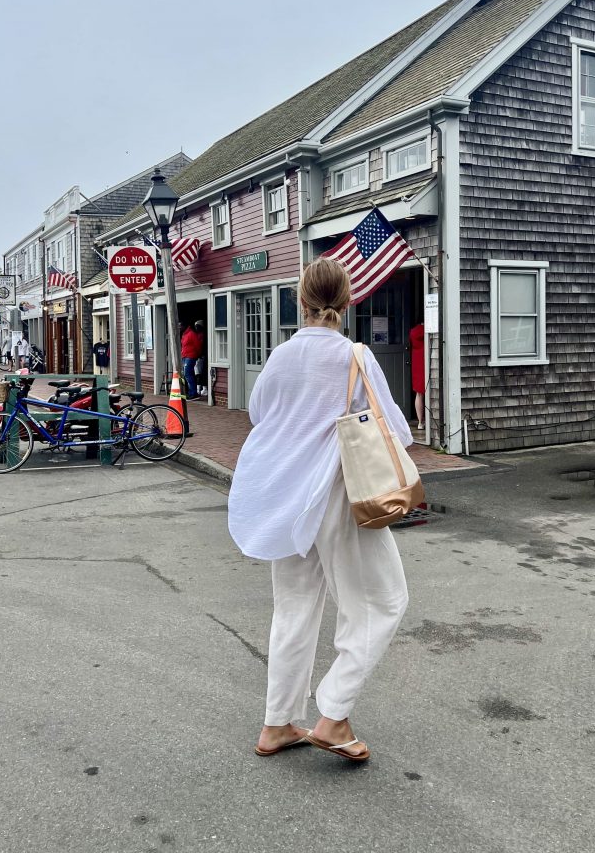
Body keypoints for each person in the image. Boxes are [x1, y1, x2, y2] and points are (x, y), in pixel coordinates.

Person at [228, 258, 412, 763]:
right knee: (381, 601)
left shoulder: (281, 356)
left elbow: (259, 414)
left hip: (286, 497)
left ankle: (278, 723)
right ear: (347, 300)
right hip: (338, 493)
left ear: (301, 301)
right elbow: (396, 429)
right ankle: (333, 714)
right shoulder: (354, 355)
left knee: (293, 608)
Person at [181, 320, 205, 399]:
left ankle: (193, 393)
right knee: (187, 374)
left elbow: (197, 345)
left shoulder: (191, 334)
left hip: (190, 356)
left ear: (184, 326)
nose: (179, 327)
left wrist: (198, 354)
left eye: (180, 326)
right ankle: (191, 392)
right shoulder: (184, 334)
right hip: (185, 356)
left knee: (188, 374)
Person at [409, 322, 425, 430]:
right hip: (425, 362)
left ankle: (420, 422)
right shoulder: (425, 331)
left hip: (416, 364)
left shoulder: (413, 331)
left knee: (418, 394)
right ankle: (426, 421)